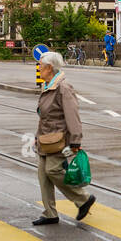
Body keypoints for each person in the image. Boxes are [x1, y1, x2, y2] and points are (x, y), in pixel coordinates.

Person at [32, 51, 95, 226]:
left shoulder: (63, 88)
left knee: (52, 170)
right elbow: (45, 116)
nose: (39, 69)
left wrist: (75, 140)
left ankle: (83, 199)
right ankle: (50, 213)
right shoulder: (48, 85)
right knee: (43, 175)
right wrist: (37, 138)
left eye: (40, 66)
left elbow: (72, 115)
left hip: (58, 139)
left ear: (49, 68)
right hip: (46, 139)